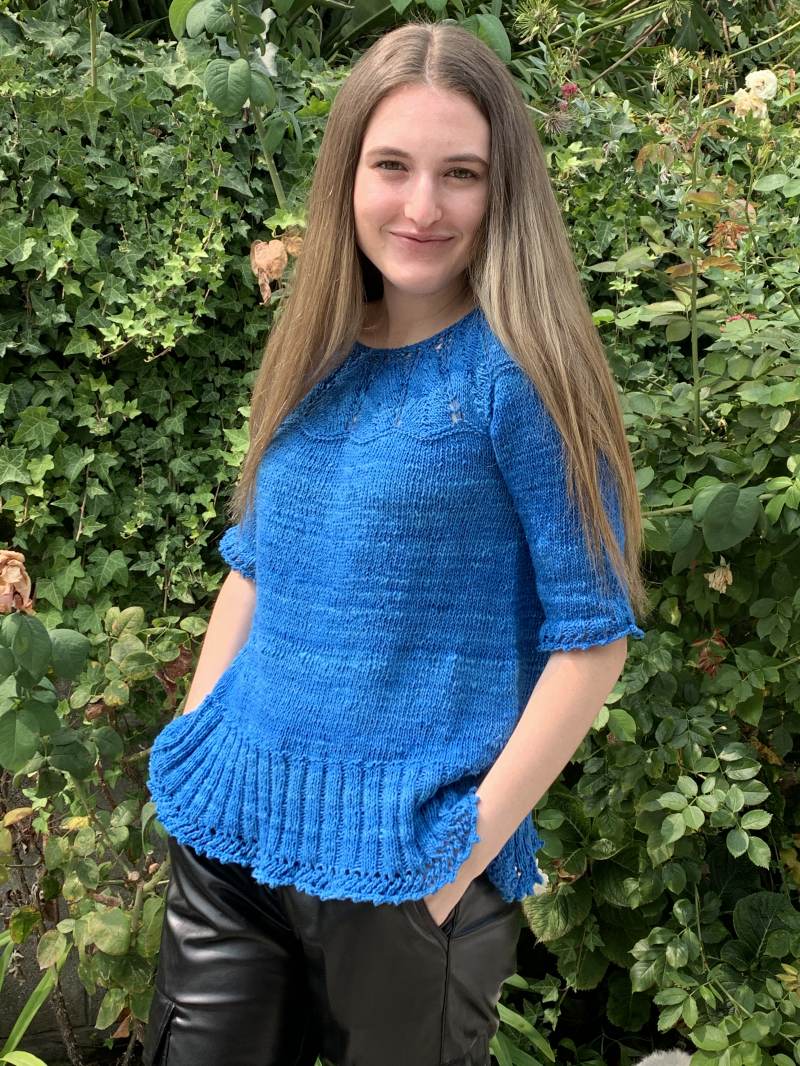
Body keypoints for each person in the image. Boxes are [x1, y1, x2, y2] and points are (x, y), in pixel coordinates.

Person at [141, 17, 650, 1066]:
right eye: (392, 166)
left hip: (408, 868)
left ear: (502, 190)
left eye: (460, 173)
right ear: (347, 175)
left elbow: (592, 637)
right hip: (232, 839)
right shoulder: (315, 350)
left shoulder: (519, 379)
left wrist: (456, 862)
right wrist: (197, 725)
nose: (422, 206)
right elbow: (256, 566)